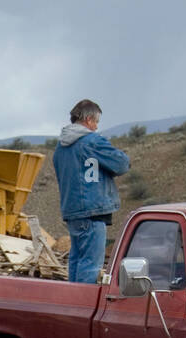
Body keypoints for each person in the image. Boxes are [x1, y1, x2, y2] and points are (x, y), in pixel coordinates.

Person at [52, 99, 130, 283]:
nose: (96, 127)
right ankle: (84, 307)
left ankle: (72, 304)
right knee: (91, 265)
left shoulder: (61, 147)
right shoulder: (91, 141)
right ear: (88, 119)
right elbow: (121, 163)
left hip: (72, 212)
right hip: (92, 211)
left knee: (77, 261)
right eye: (95, 122)